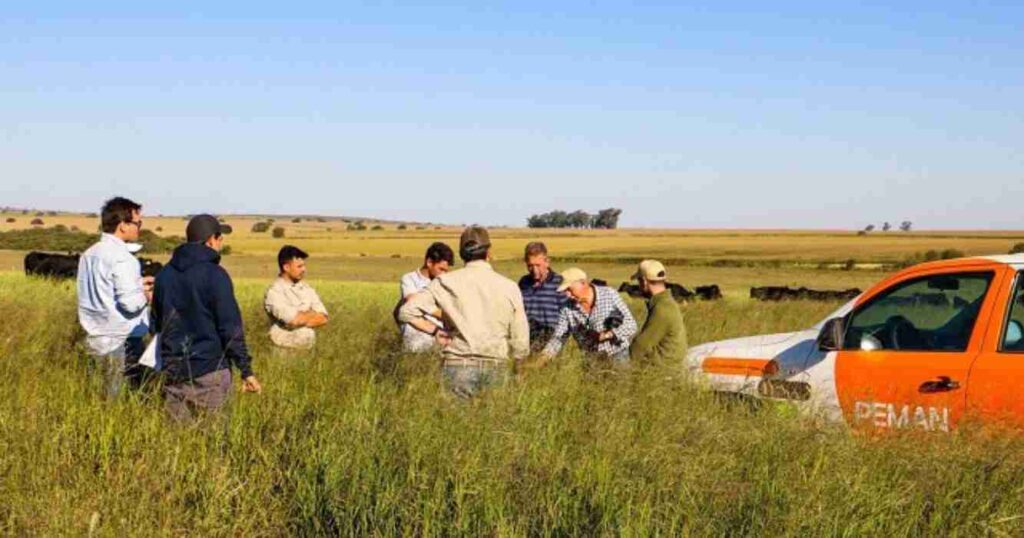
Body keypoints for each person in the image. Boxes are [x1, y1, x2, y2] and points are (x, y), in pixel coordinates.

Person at [150, 214, 261, 422]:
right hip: (210, 372)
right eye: (220, 238)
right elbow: (230, 329)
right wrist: (246, 371)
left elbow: (156, 324)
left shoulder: (164, 275)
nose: (221, 243)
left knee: (178, 445)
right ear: (211, 240)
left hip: (173, 373)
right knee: (214, 442)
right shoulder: (215, 274)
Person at [398, 226, 529, 398]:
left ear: (461, 254)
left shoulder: (445, 282)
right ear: (488, 252)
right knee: (494, 423)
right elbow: (521, 338)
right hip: (496, 365)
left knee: (455, 423)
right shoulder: (509, 287)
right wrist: (519, 369)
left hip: (457, 365)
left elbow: (406, 311)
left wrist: (436, 331)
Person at [76, 196, 153, 397]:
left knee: (98, 399)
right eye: (138, 223)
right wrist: (146, 295)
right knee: (122, 401)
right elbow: (130, 304)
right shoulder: (124, 259)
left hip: (94, 338)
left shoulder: (89, 254)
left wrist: (137, 285)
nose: (140, 228)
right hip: (122, 342)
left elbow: (103, 291)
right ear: (123, 225)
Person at [542, 267, 638, 364]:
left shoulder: (609, 294)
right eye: (565, 291)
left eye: (569, 289)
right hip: (590, 361)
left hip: (618, 357)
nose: (567, 294)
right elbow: (558, 338)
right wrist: (541, 359)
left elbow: (631, 325)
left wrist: (606, 335)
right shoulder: (567, 308)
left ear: (583, 283)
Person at [264, 245, 329, 349]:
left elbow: (323, 318)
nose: (304, 269)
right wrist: (312, 313)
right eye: (299, 266)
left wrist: (301, 318)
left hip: (308, 350)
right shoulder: (275, 292)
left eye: (304, 265)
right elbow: (292, 321)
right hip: (283, 349)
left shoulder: (307, 289)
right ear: (286, 267)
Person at [397, 242, 454, 352]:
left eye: (446, 271)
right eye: (441, 269)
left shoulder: (444, 282)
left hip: (440, 342)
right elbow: (413, 302)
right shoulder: (409, 279)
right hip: (415, 343)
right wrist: (445, 315)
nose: (444, 274)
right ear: (429, 262)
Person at [629, 260, 687, 363]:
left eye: (639, 280)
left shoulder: (662, 308)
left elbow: (639, 348)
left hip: (661, 370)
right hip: (666, 366)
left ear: (644, 281)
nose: (638, 285)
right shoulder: (666, 303)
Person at [518, 242, 566, 351]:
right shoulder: (523, 282)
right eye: (530, 266)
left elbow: (567, 317)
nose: (534, 270)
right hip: (527, 343)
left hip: (552, 345)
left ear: (547, 262)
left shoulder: (560, 283)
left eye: (538, 265)